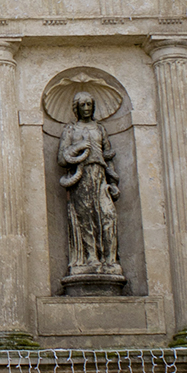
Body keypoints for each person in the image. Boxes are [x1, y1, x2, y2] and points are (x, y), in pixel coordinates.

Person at [58, 91, 121, 275]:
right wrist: (78, 147)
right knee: (86, 217)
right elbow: (62, 158)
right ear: (76, 108)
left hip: (100, 175)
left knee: (108, 216)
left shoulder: (100, 129)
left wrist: (113, 182)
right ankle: (91, 257)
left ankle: (110, 259)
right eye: (83, 105)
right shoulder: (71, 129)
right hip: (81, 176)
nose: (86, 108)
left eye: (89, 104)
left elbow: (108, 157)